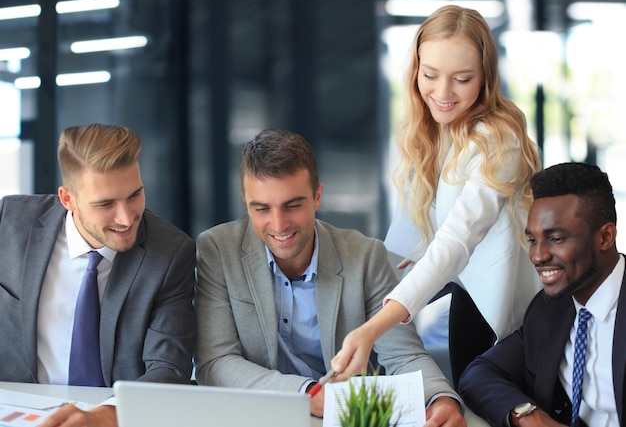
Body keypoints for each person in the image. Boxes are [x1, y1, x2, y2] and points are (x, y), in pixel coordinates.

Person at [331, 4, 542, 387]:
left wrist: (372, 328)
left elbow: (456, 241)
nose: (442, 93)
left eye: (462, 79)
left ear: (485, 77)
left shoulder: (499, 139)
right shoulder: (426, 134)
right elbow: (403, 247)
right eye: (430, 75)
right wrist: (353, 312)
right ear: (415, 71)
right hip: (468, 303)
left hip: (513, 321)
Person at [194, 129, 466, 425]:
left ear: (317, 196)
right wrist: (306, 393)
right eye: (261, 209)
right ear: (246, 202)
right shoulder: (217, 250)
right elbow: (214, 363)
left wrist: (441, 399)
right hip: (262, 416)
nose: (279, 224)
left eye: (293, 205)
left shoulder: (365, 257)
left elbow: (404, 356)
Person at [0, 124, 196, 427]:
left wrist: (107, 415)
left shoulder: (170, 253)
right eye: (105, 204)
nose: (126, 217)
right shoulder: (9, 222)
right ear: (68, 199)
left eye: (135, 195)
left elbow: (169, 368)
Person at [458, 162, 623, 427]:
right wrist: (528, 415)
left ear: (605, 237)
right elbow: (478, 374)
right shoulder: (549, 308)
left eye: (556, 239)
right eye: (533, 240)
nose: (537, 256)